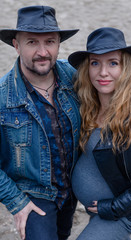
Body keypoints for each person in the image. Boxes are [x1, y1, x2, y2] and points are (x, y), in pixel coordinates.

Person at [68, 27, 131, 240]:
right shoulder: (89, 101)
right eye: (95, 63)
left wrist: (114, 207)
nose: (103, 72)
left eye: (113, 63)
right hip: (99, 209)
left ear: (125, 68)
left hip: (122, 213)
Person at [0, 5, 81, 240]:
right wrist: (16, 202)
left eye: (50, 41)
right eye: (32, 42)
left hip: (72, 188)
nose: (43, 52)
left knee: (63, 233)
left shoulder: (75, 77)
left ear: (58, 44)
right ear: (16, 45)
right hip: (33, 193)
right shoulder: (3, 96)